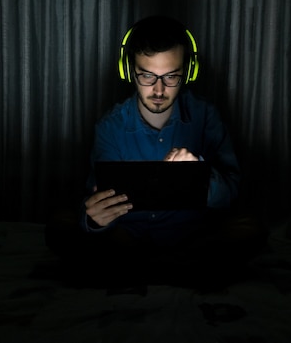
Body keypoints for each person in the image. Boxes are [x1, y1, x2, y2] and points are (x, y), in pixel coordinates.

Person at [45, 15, 266, 288]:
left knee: (252, 228)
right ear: (129, 71)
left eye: (171, 76)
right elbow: (94, 196)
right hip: (128, 239)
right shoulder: (110, 126)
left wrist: (200, 173)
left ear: (188, 71)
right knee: (62, 226)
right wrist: (94, 219)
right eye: (147, 75)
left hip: (192, 237)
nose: (159, 90)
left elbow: (231, 194)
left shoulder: (205, 116)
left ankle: (143, 271)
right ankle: (172, 271)